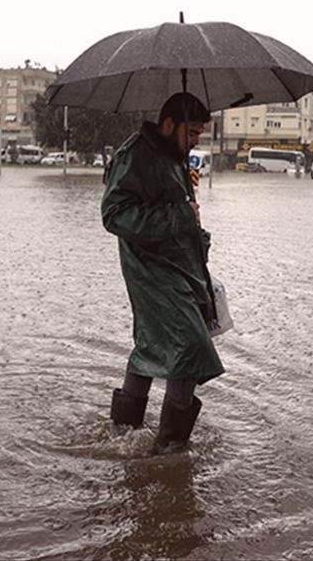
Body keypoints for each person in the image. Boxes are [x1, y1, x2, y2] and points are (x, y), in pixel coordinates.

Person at [101, 91, 223, 454]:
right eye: (193, 132)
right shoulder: (136, 155)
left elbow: (177, 210)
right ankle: (170, 449)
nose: (196, 140)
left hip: (179, 267)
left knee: (152, 345)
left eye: (201, 133)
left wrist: (197, 234)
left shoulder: (174, 156)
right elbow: (115, 215)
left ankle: (123, 433)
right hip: (151, 270)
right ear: (169, 124)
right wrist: (181, 217)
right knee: (189, 348)